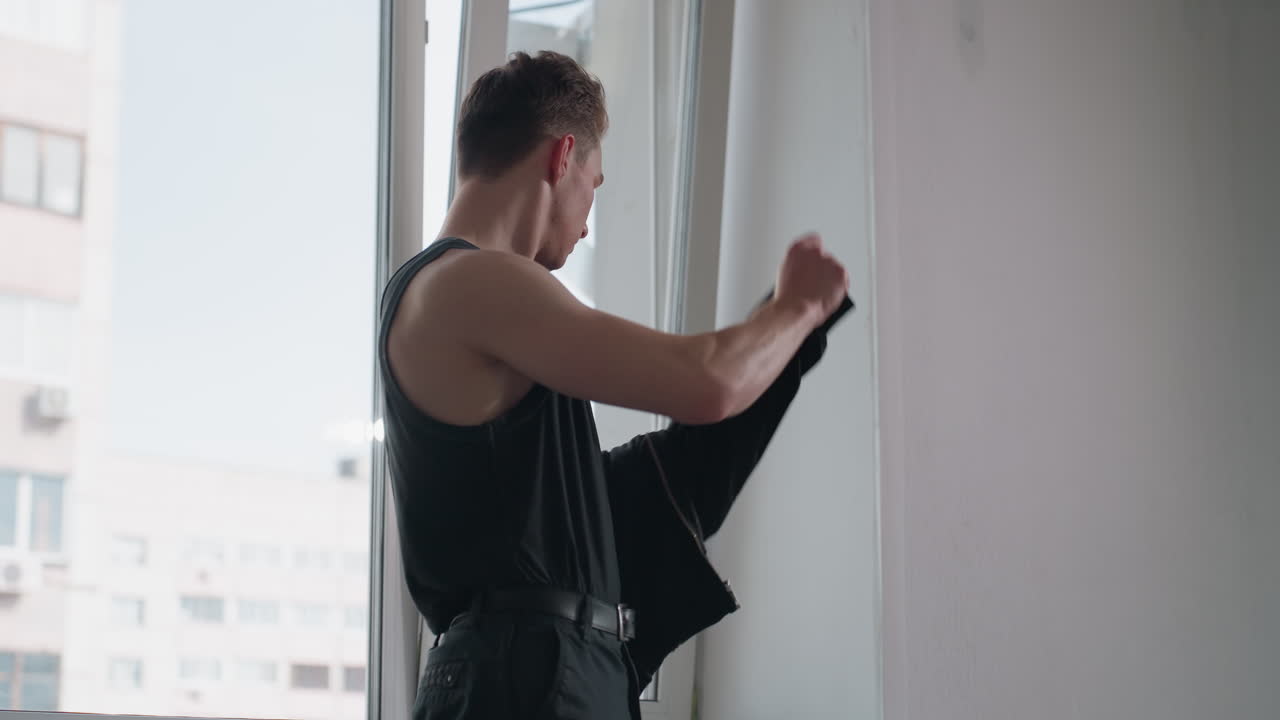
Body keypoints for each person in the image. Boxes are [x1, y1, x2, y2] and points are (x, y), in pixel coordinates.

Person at [377, 50, 852, 720]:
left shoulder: (457, 297)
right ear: (561, 157)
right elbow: (707, 380)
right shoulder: (472, 281)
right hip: (528, 681)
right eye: (594, 186)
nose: (589, 220)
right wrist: (796, 307)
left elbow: (548, 511)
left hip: (530, 673)